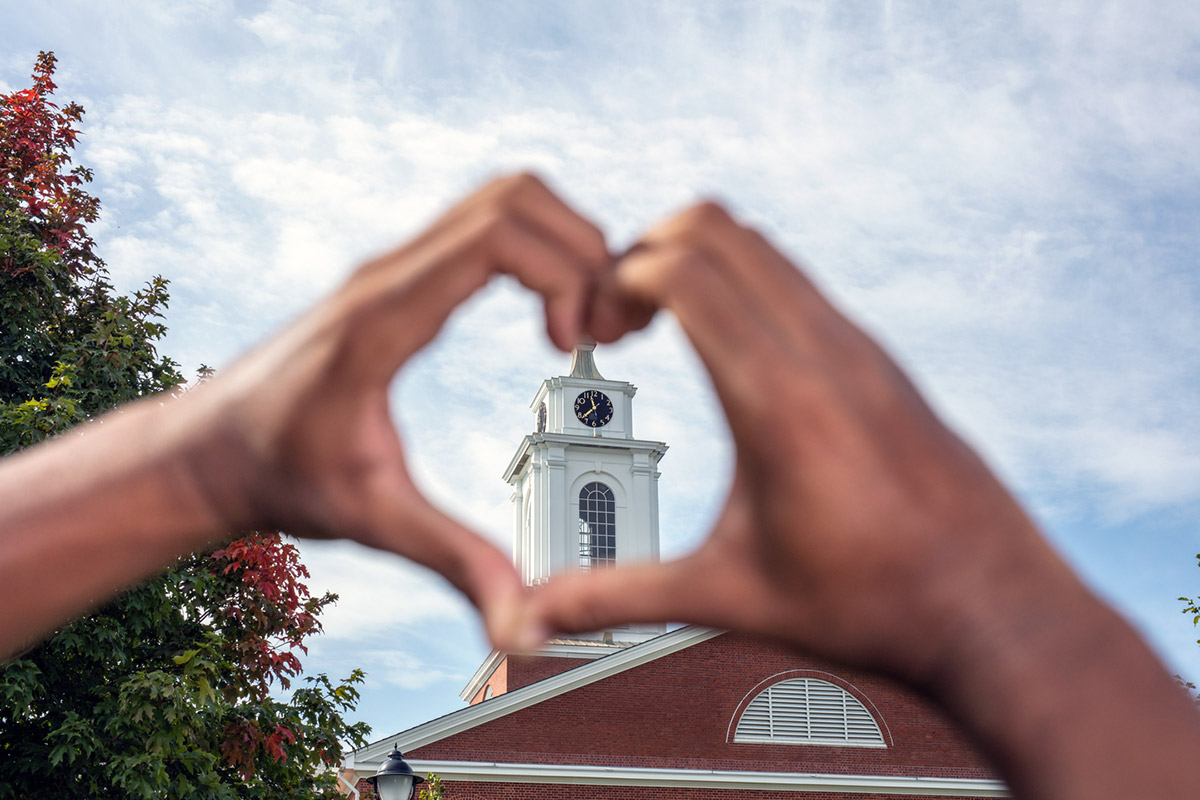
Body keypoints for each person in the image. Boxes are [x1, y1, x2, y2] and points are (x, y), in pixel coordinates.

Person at [1, 174, 1198, 800]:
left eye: (608, 482)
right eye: (582, 488)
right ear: (551, 483)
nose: (596, 504)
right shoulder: (451, 744)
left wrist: (182, 464)